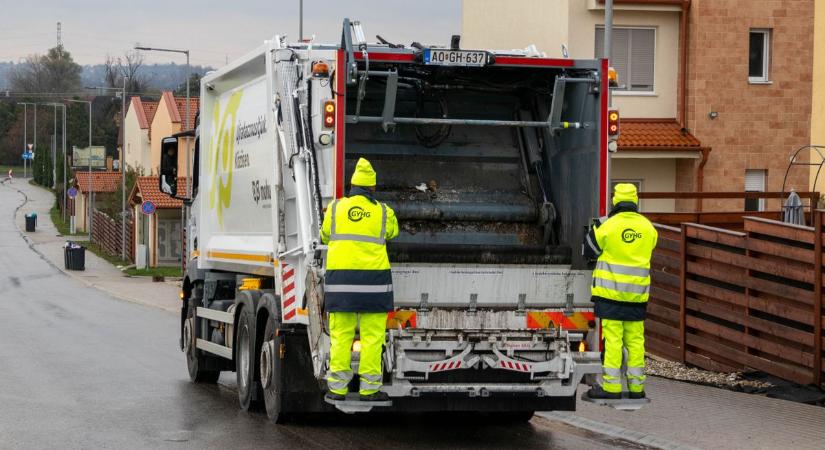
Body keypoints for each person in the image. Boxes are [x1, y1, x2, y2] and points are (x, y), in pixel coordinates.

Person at [321, 157, 399, 402]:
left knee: (341, 336)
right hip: (374, 286)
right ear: (372, 188)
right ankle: (369, 390)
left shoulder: (334, 209)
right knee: (372, 338)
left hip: (340, 285)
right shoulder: (384, 212)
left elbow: (325, 236)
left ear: (352, 186)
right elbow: (393, 233)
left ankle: (337, 389)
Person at [583, 183, 658, 400]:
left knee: (613, 341)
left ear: (615, 201)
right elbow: (650, 246)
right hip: (637, 296)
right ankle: (637, 389)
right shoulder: (648, 227)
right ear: (635, 201)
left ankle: (612, 388)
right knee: (635, 341)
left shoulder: (609, 226)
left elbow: (589, 249)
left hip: (611, 296)